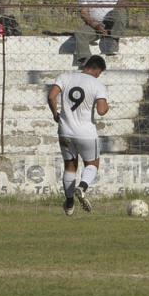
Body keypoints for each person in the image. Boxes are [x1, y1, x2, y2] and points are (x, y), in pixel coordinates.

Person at [46, 55, 109, 216]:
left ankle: (69, 202)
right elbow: (102, 110)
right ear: (96, 69)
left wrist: (55, 113)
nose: (98, 76)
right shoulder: (97, 84)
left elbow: (51, 96)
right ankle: (82, 187)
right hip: (86, 133)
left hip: (65, 131)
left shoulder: (65, 77)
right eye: (99, 73)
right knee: (92, 164)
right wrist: (106, 105)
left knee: (70, 166)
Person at [74, 0, 127, 64]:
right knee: (80, 33)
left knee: (120, 13)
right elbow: (84, 12)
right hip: (95, 24)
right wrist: (95, 25)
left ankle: (113, 40)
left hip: (111, 20)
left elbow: (123, 0)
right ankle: (86, 62)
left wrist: (115, 10)